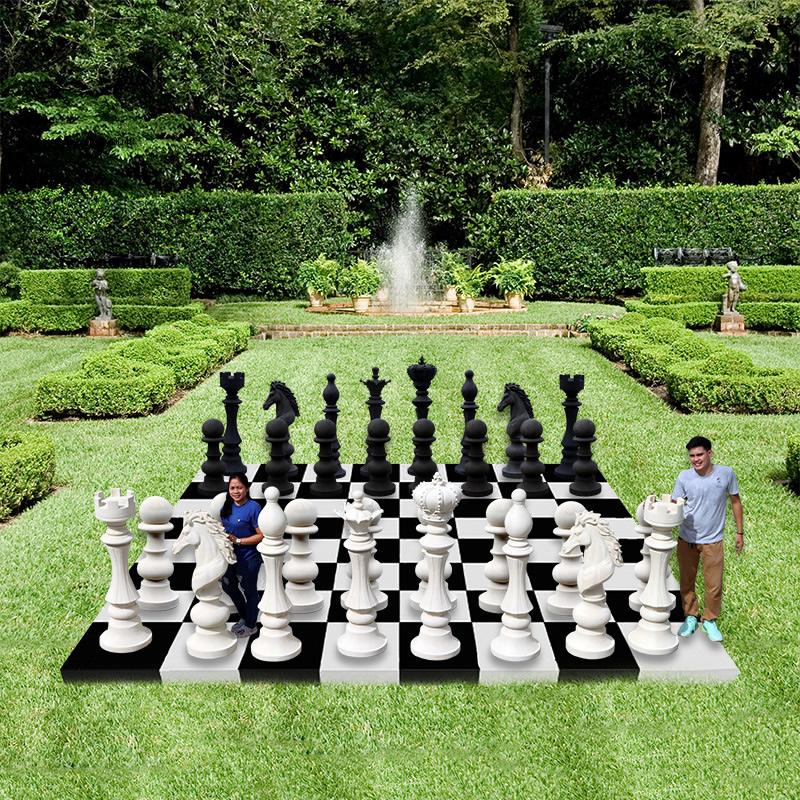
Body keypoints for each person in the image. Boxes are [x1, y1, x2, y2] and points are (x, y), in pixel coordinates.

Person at [671, 436, 744, 642]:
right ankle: (691, 616)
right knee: (687, 581)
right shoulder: (684, 477)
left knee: (714, 584)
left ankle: (710, 620)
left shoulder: (726, 474)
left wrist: (739, 532)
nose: (696, 459)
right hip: (687, 539)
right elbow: (675, 504)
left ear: (709, 453)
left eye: (700, 454)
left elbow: (735, 502)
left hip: (713, 540)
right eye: (692, 456)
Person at [219, 473, 263, 637]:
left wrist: (238, 541)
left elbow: (261, 535)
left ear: (247, 488)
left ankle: (251, 624)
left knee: (249, 589)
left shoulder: (254, 507)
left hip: (249, 556)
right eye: (232, 488)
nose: (236, 491)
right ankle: (245, 616)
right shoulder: (226, 507)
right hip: (231, 556)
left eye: (239, 487)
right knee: (228, 585)